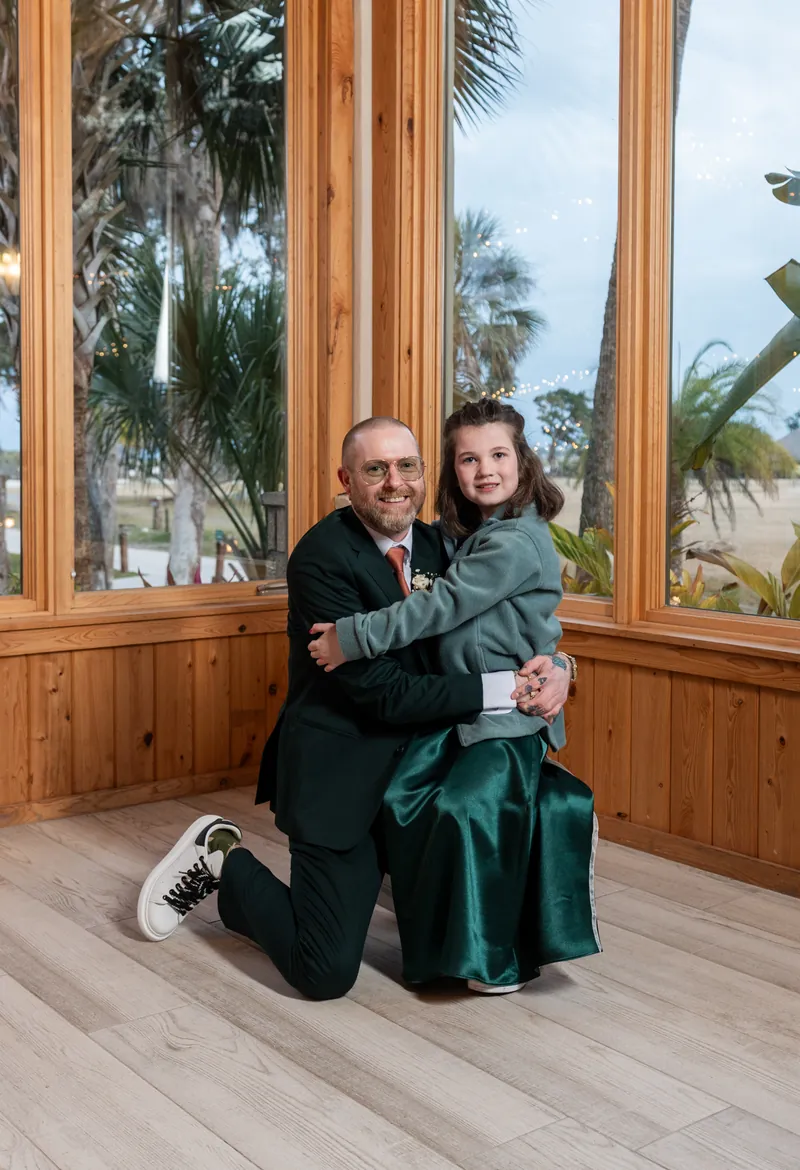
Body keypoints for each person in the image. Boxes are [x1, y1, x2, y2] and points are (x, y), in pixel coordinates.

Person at [137, 416, 570, 999]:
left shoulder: (446, 544)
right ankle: (220, 858)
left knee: (487, 831)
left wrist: (560, 668)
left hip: (420, 771)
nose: (395, 483)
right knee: (325, 973)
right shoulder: (320, 559)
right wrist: (507, 690)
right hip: (343, 773)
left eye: (407, 467)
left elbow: (504, 619)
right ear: (346, 479)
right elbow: (386, 694)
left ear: (423, 475)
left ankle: (436, 916)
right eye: (375, 470)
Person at [308, 398, 600, 993]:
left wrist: (353, 635)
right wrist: (561, 659)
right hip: (461, 713)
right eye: (469, 459)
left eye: (499, 455)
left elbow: (441, 605)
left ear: (523, 461)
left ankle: (494, 960)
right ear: (453, 470)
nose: (485, 470)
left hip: (508, 717)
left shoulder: (515, 542)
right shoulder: (460, 536)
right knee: (406, 795)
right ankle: (436, 935)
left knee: (465, 808)